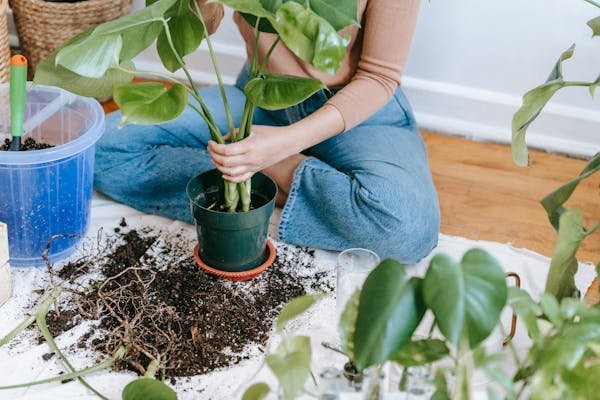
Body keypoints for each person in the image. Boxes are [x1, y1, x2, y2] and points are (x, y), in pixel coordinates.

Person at [95, 0, 440, 263]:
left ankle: (257, 184)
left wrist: (279, 155)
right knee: (102, 147)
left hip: (354, 111)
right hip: (260, 98)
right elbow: (201, 26)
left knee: (408, 228)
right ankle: (269, 191)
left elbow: (379, 77)